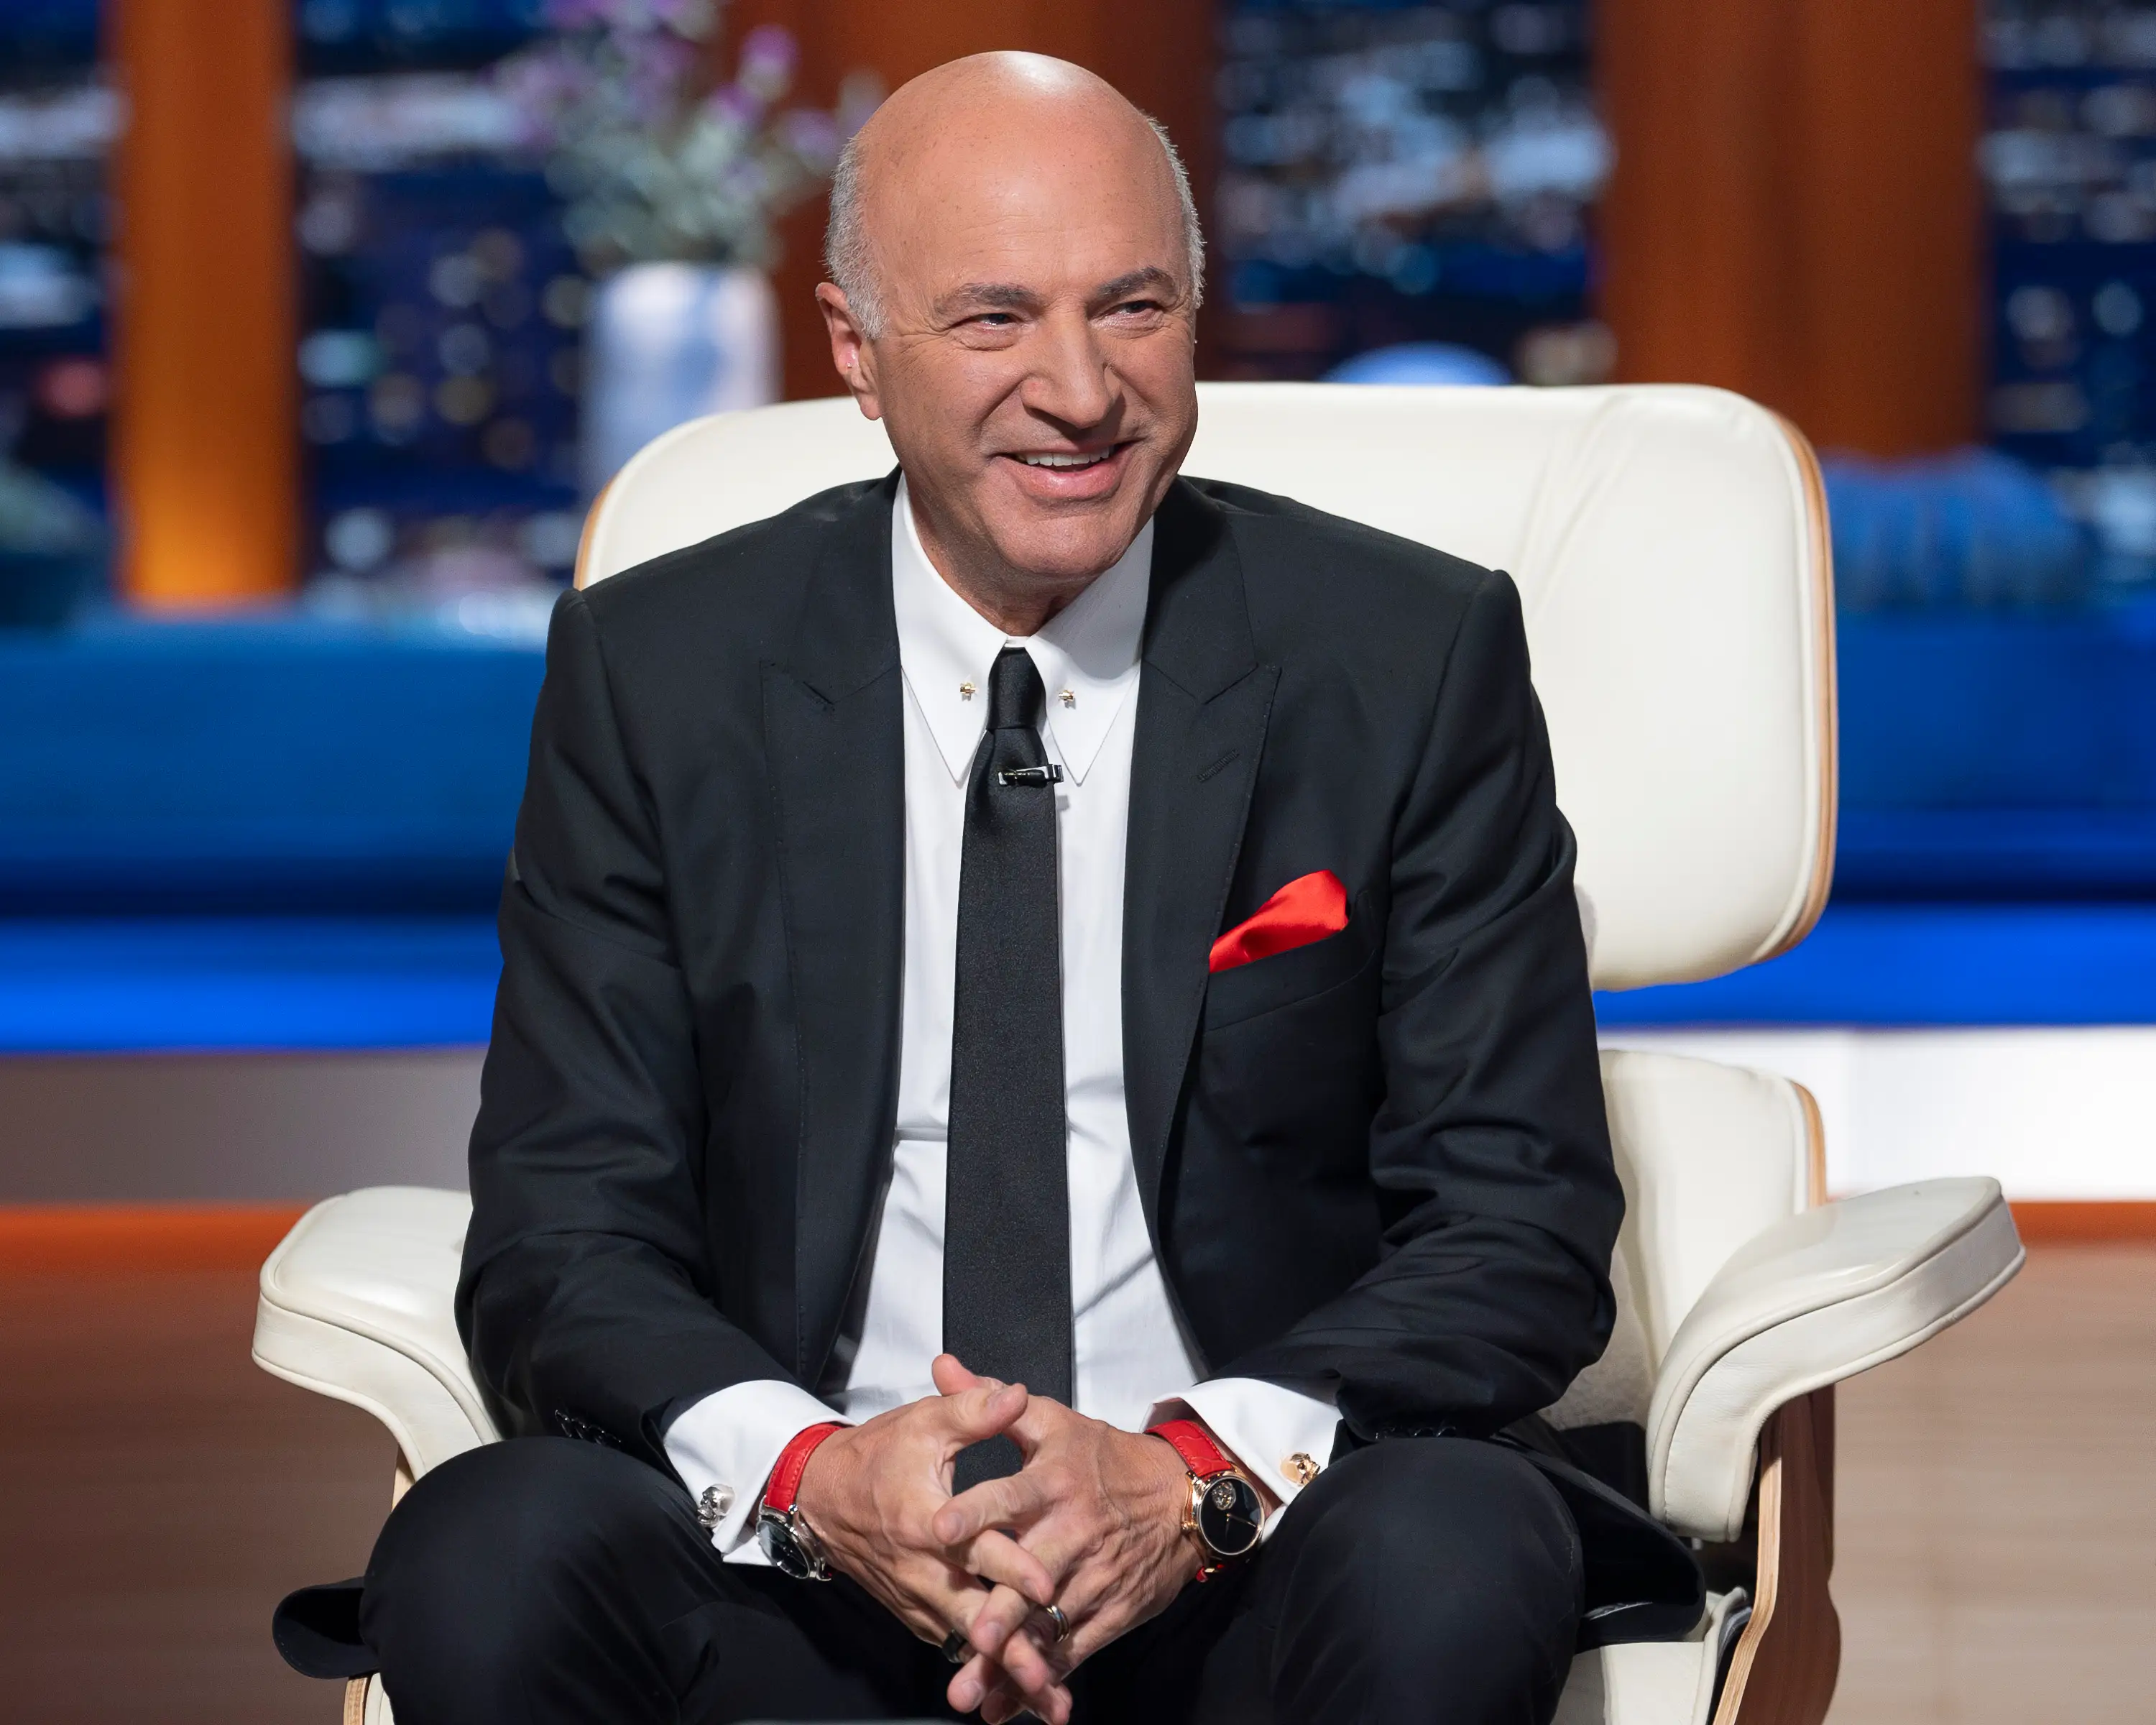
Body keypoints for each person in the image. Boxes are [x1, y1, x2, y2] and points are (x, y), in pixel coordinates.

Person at [328, 50, 1680, 1725]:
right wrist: (820, 1477)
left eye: (1132, 308)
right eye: (990, 320)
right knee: (489, 1548)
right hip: (812, 1565)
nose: (1079, 388)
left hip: (1248, 1535)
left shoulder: (1406, 658)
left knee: (1456, 1540)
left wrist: (1179, 1481)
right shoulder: (660, 671)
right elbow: (562, 1229)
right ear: (854, 354)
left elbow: (1516, 1223)